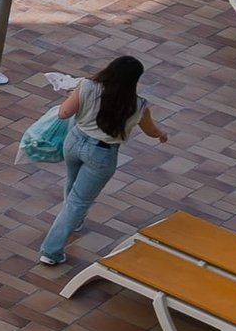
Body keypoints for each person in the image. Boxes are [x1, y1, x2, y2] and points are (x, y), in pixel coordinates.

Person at [36, 58, 163, 266]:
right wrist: (162, 134)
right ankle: (51, 251)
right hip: (102, 154)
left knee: (72, 182)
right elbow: (150, 131)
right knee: (78, 202)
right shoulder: (138, 105)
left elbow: (63, 113)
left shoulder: (86, 86)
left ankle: (73, 223)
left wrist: (73, 96)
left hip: (74, 141)